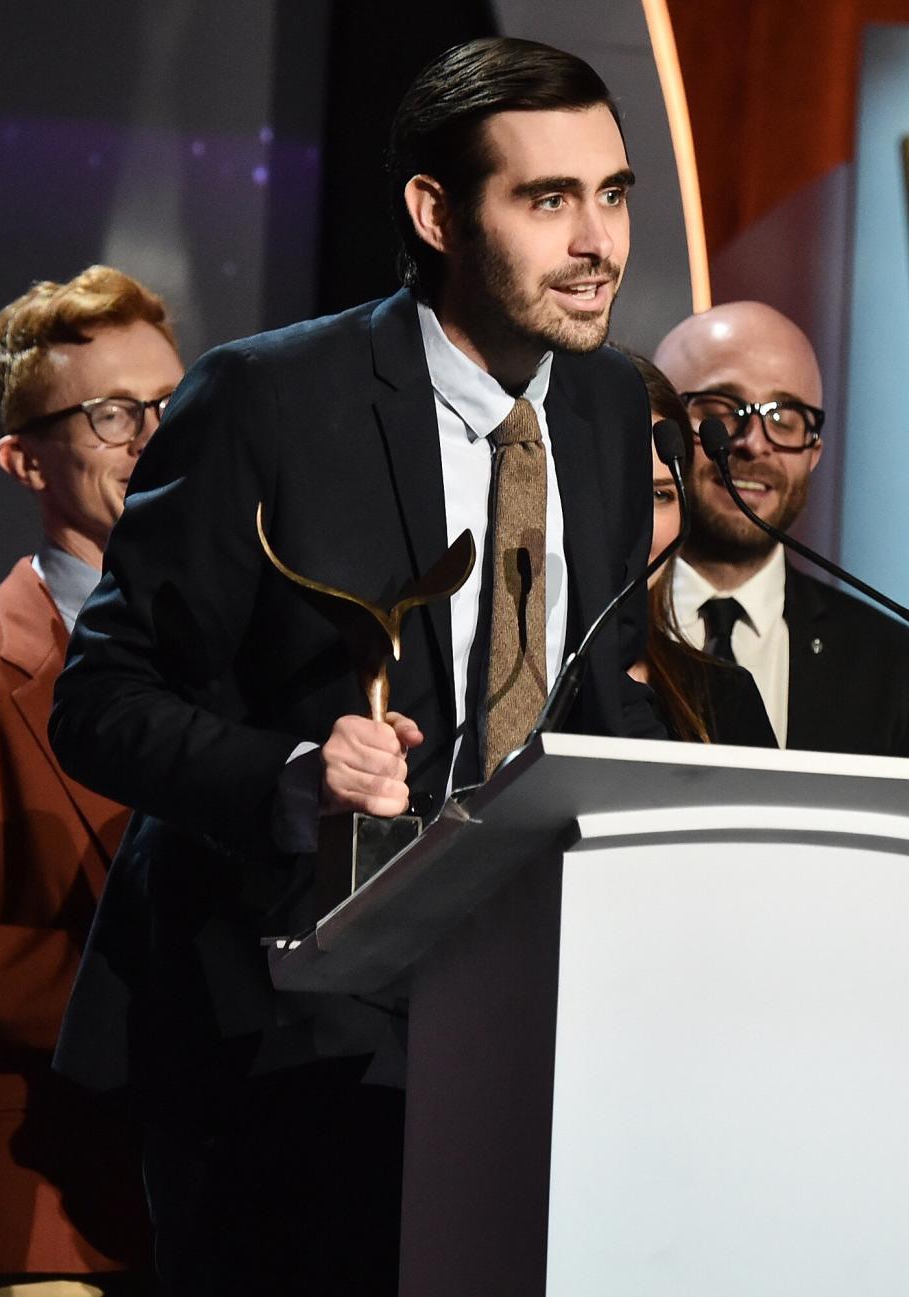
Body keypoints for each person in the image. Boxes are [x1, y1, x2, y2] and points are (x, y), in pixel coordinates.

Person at [48, 37, 663, 1296]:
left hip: (518, 1025)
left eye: (612, 194)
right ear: (435, 212)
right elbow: (100, 700)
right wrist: (289, 772)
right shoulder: (266, 400)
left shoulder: (601, 410)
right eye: (548, 200)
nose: (597, 241)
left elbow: (584, 694)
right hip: (277, 1040)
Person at [0, 265, 183, 1295]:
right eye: (113, 413)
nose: (156, 435)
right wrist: (170, 999)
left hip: (225, 1190)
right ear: (23, 459)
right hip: (40, 1199)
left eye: (176, 404)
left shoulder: (259, 656)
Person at [654, 300, 909, 755]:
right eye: (720, 410)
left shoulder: (891, 662)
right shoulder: (582, 629)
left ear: (814, 454)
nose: (753, 443)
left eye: (785, 420)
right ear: (658, 431)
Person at [629, 355, 775, 746]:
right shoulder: (482, 678)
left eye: (661, 495)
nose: (639, 525)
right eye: (612, 489)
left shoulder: (726, 696)